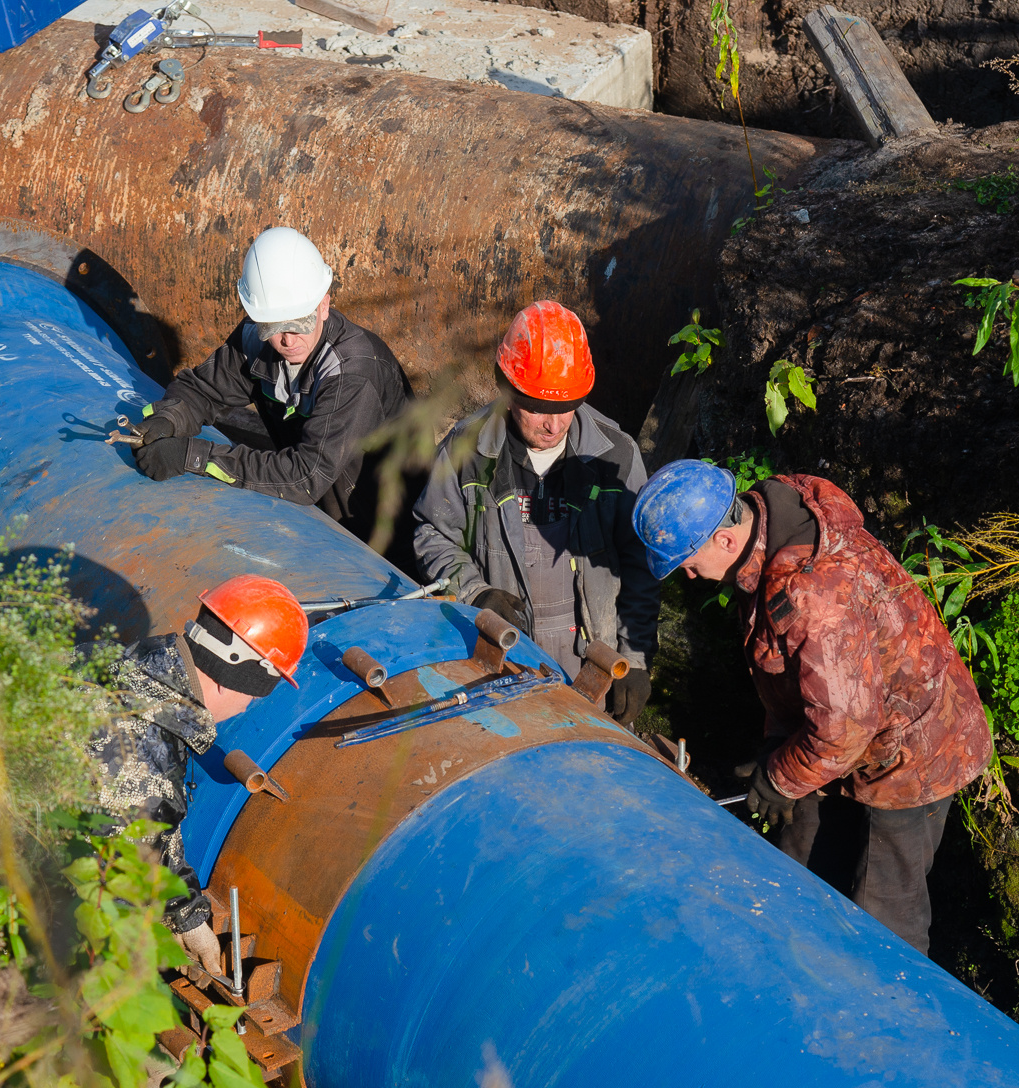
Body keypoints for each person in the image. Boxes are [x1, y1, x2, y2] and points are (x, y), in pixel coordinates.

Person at [631, 461, 992, 954]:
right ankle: (789, 963)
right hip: (840, 724)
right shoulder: (769, 524)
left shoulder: (814, 593)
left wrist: (779, 778)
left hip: (914, 752)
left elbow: (845, 729)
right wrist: (779, 740)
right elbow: (800, 671)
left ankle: (883, 1011)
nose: (690, 577)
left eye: (689, 563)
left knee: (883, 909)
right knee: (796, 860)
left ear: (726, 541)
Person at [412, 300, 659, 726]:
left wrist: (632, 659)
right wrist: (475, 593)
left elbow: (641, 564)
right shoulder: (466, 452)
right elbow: (432, 533)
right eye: (539, 408)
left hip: (592, 666)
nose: (555, 424)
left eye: (567, 406)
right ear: (507, 392)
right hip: (502, 659)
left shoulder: (615, 456)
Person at [129, 226, 413, 551]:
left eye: (299, 322)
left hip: (383, 533)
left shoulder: (353, 372)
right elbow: (203, 390)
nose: (287, 339)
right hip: (317, 514)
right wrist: (168, 420)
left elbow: (306, 477)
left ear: (324, 305)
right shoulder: (258, 340)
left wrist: (194, 457)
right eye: (273, 325)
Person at [82, 573, 308, 977]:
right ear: (236, 676)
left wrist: (184, 915)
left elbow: (146, 834)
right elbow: (120, 875)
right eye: (254, 695)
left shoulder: (114, 663)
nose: (247, 708)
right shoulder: (140, 754)